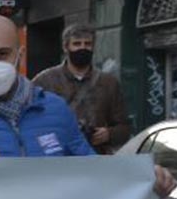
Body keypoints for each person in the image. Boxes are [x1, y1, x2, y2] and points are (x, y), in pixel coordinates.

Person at [0, 15, 175, 196]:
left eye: (2, 54)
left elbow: (91, 170)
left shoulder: (55, 110)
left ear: (19, 55)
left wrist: (140, 179)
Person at [32, 23, 131, 154]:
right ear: (66, 47)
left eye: (87, 44)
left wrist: (109, 134)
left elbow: (124, 128)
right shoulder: (45, 80)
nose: (82, 48)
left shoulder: (109, 83)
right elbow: (29, 121)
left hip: (95, 156)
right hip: (56, 158)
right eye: (77, 44)